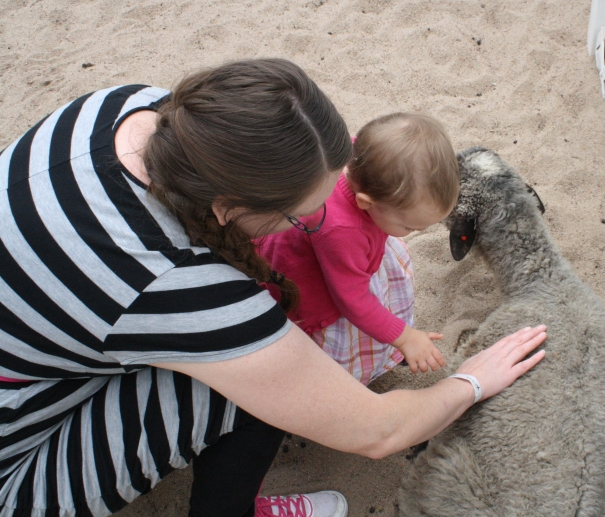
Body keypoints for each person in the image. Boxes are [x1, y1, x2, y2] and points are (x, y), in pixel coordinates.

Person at [0, 58, 547, 517]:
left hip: (31, 347)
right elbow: (377, 431)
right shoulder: (175, 283)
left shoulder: (126, 107)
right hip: (14, 462)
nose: (316, 223)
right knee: (254, 389)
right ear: (227, 208)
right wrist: (472, 381)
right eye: (303, 217)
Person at [256, 113, 458, 384]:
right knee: (342, 342)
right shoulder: (339, 231)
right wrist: (406, 337)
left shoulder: (362, 159)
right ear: (365, 202)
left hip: (353, 256)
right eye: (410, 227)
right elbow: (352, 301)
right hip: (322, 286)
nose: (417, 233)